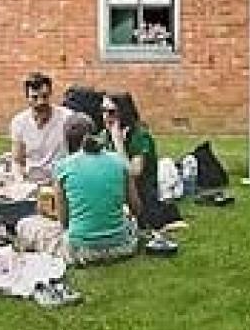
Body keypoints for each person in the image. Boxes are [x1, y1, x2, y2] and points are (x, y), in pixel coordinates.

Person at [52, 112, 139, 262]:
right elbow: (136, 208)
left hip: (79, 251)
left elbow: (64, 221)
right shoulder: (119, 161)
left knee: (27, 226)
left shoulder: (62, 167)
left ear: (67, 141)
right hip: (122, 247)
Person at [101, 92, 184, 232]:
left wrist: (118, 143)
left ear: (123, 112)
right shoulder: (105, 135)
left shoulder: (139, 136)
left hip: (142, 196)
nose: (106, 116)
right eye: (103, 110)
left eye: (111, 112)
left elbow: (134, 173)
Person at [9, 72, 74, 183]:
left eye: (44, 96)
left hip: (60, 179)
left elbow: (76, 156)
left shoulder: (67, 118)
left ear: (50, 94)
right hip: (31, 181)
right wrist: (20, 182)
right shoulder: (19, 122)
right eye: (34, 97)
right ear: (27, 98)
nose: (40, 102)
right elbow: (17, 160)